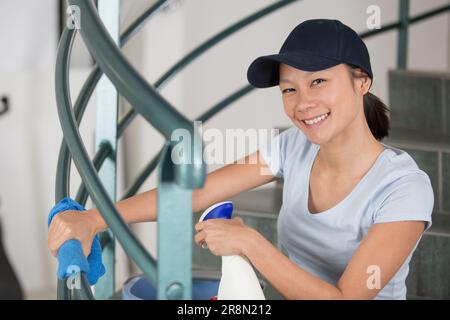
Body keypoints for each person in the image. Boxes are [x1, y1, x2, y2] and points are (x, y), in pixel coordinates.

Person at [48, 19, 434, 300]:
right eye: (289, 89)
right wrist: (94, 218)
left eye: (318, 81)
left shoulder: (403, 188)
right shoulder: (292, 148)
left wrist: (251, 242)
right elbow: (196, 194)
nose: (303, 103)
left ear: (361, 81)